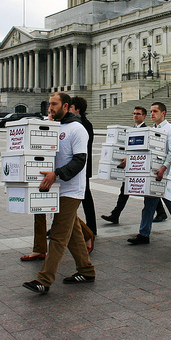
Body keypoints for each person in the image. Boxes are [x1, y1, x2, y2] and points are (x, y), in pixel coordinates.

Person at [23, 92, 95, 294]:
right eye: (49, 105)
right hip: (55, 186)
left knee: (58, 234)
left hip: (71, 189)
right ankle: (86, 270)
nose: (50, 108)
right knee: (73, 232)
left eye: (54, 104)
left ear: (66, 106)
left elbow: (80, 160)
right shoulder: (52, 126)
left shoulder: (77, 129)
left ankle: (44, 280)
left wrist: (57, 174)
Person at [127, 102, 171, 245]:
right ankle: (144, 234)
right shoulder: (152, 129)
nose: (152, 114)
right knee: (149, 205)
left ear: (163, 113)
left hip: (166, 173)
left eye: (155, 111)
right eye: (151, 111)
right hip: (154, 173)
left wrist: (163, 168)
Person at [101, 106, 167, 224]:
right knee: (125, 189)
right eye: (134, 113)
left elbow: (145, 150)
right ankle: (115, 215)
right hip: (133, 165)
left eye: (138, 114)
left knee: (146, 191)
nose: (135, 115)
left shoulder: (147, 130)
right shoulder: (131, 130)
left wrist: (130, 160)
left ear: (143, 116)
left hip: (140, 165)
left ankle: (161, 212)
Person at [70, 96, 97, 238]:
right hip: (78, 166)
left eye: (70, 108)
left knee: (85, 197)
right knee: (83, 197)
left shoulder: (84, 125)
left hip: (82, 166)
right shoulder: (77, 123)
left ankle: (91, 228)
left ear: (77, 109)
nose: (68, 110)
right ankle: (91, 227)